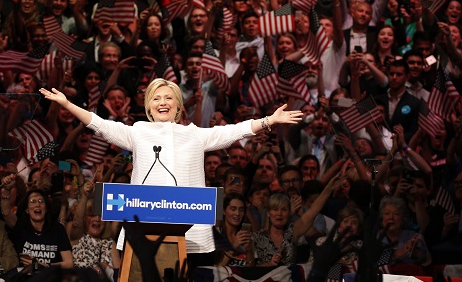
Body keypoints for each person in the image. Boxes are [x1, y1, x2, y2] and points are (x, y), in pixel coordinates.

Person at [40, 78, 303, 268]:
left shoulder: (195, 134)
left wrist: (268, 121)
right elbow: (100, 125)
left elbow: (233, 131)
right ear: (148, 106)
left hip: (185, 230)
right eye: (156, 98)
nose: (162, 102)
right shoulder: (138, 131)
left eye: (168, 98)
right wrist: (67, 104)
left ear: (178, 107)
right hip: (143, 225)